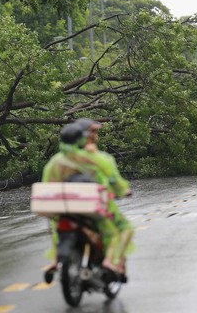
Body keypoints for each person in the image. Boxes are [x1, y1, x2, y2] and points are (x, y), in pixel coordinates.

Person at [40, 123, 119, 277]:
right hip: (88, 206)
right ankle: (108, 261)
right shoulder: (90, 158)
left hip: (63, 207)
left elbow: (47, 185)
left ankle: (55, 261)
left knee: (57, 231)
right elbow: (105, 180)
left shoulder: (55, 161)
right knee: (111, 230)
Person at [74, 118, 134, 275]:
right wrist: (124, 191)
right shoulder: (104, 158)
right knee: (124, 228)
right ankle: (112, 261)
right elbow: (115, 181)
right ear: (90, 135)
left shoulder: (65, 159)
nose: (96, 135)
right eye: (94, 132)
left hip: (72, 206)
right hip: (99, 205)